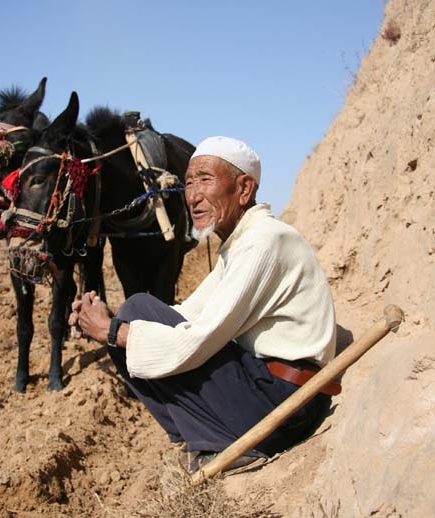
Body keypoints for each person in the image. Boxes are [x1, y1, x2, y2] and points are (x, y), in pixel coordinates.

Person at [70, 136, 337, 474]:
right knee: (132, 314)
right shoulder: (240, 244)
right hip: (269, 398)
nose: (192, 196)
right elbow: (185, 314)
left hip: (287, 407)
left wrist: (114, 331)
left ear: (243, 189)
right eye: (188, 182)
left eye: (205, 180)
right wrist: (110, 319)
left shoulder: (265, 241)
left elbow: (198, 338)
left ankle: (219, 438)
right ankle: (207, 435)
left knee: (137, 311)